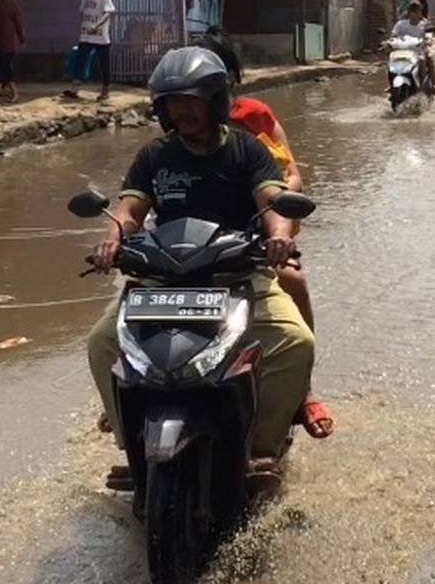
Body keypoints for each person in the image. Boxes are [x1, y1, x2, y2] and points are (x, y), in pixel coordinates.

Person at [87, 46, 315, 474]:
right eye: (173, 101)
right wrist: (112, 240)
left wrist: (280, 238)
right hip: (164, 279)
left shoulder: (248, 151)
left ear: (216, 100)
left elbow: (274, 201)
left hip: (238, 274)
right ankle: (128, 440)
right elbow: (129, 210)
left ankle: (263, 445)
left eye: (192, 100)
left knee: (296, 342)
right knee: (101, 341)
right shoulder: (155, 156)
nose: (182, 110)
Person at [201, 27, 334, 439]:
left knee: (293, 280)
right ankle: (132, 390)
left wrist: (277, 210)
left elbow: (291, 172)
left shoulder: (253, 117)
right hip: (194, 241)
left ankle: (303, 389)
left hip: (256, 234)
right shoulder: (176, 124)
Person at [69, 0, 116, 102]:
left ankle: (105, 90)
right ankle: (75, 90)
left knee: (103, 64)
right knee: (80, 61)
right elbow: (83, 13)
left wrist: (97, 25)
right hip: (86, 35)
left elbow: (108, 14)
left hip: (100, 37)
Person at [391, 0, 435, 91]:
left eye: (416, 11)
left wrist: (428, 40)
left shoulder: (425, 24)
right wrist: (388, 42)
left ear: (420, 12)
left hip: (419, 50)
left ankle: (432, 84)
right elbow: (393, 35)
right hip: (403, 51)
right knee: (390, 60)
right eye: (412, 11)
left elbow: (429, 36)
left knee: (429, 58)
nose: (414, 14)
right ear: (408, 12)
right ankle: (391, 84)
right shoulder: (401, 24)